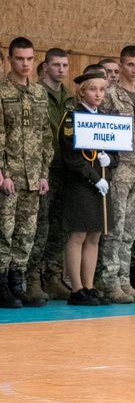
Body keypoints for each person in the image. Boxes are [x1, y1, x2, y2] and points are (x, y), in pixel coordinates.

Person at [0, 37, 54, 308]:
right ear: (10, 59)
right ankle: (1, 284)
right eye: (20, 58)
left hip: (33, 176)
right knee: (4, 230)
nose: (25, 64)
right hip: (8, 176)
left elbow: (45, 136)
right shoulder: (1, 91)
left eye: (30, 59)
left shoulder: (39, 93)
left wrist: (44, 173)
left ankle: (16, 281)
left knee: (25, 233)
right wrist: (2, 171)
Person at [60, 71, 120, 306]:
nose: (98, 94)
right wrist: (95, 178)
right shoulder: (71, 117)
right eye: (94, 89)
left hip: (102, 185)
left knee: (94, 234)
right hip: (81, 184)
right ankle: (76, 288)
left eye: (102, 90)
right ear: (82, 91)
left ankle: (89, 285)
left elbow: (116, 153)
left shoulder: (106, 118)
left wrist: (110, 163)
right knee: (78, 234)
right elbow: (71, 157)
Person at [100, 46, 135, 304]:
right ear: (120, 66)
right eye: (130, 65)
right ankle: (110, 283)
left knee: (130, 231)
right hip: (117, 172)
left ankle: (124, 280)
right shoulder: (109, 96)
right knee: (115, 229)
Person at [28, 48, 75, 302]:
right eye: (56, 65)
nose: (61, 70)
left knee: (59, 226)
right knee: (39, 226)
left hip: (65, 169)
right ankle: (32, 277)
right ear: (45, 67)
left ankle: (53, 276)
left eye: (65, 65)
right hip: (41, 170)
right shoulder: (36, 94)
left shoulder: (70, 98)